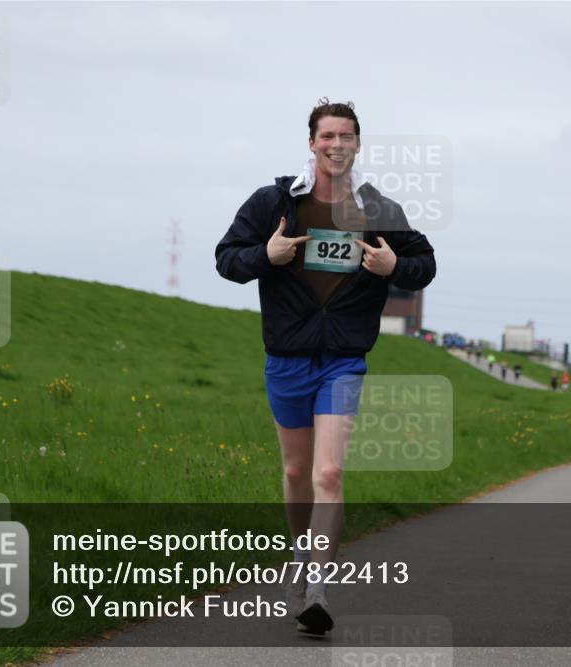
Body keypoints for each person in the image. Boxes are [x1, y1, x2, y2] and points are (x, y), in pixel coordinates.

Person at [215, 99, 436, 635]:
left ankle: (317, 585)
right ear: (312, 143)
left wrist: (394, 265)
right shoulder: (273, 202)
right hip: (287, 358)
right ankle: (300, 557)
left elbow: (425, 264)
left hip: (343, 360)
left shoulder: (379, 209)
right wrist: (265, 256)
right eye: (328, 136)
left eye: (347, 136)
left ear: (358, 144)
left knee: (329, 473)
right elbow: (226, 259)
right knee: (296, 473)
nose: (337, 144)